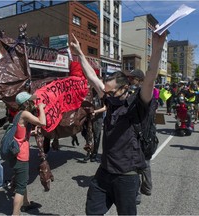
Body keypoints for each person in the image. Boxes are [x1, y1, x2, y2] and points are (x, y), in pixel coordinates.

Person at [71, 30, 166, 215]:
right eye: (105, 92)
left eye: (110, 92)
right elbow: (92, 77)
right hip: (104, 172)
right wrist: (79, 53)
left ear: (125, 88)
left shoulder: (138, 105)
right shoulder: (110, 99)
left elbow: (150, 79)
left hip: (126, 176)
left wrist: (157, 48)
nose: (106, 96)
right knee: (92, 211)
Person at [11, 91, 46, 215]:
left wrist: (30, 133)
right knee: (20, 188)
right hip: (21, 155)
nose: (33, 102)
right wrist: (41, 108)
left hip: (16, 154)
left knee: (22, 181)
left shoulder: (18, 114)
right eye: (31, 100)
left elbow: (19, 134)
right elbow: (43, 122)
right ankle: (15, 214)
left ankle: (25, 203)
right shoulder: (25, 113)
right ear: (26, 103)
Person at [127, 69, 156, 205]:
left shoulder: (143, 94)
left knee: (141, 166)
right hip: (141, 135)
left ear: (139, 80)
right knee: (142, 166)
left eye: (132, 78)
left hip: (144, 136)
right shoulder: (135, 92)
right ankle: (145, 189)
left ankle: (139, 194)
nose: (130, 80)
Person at [83, 87, 106, 163]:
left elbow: (105, 107)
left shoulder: (102, 95)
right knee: (88, 136)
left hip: (97, 119)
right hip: (88, 118)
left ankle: (94, 154)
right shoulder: (89, 93)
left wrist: (95, 111)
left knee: (96, 136)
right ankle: (88, 152)